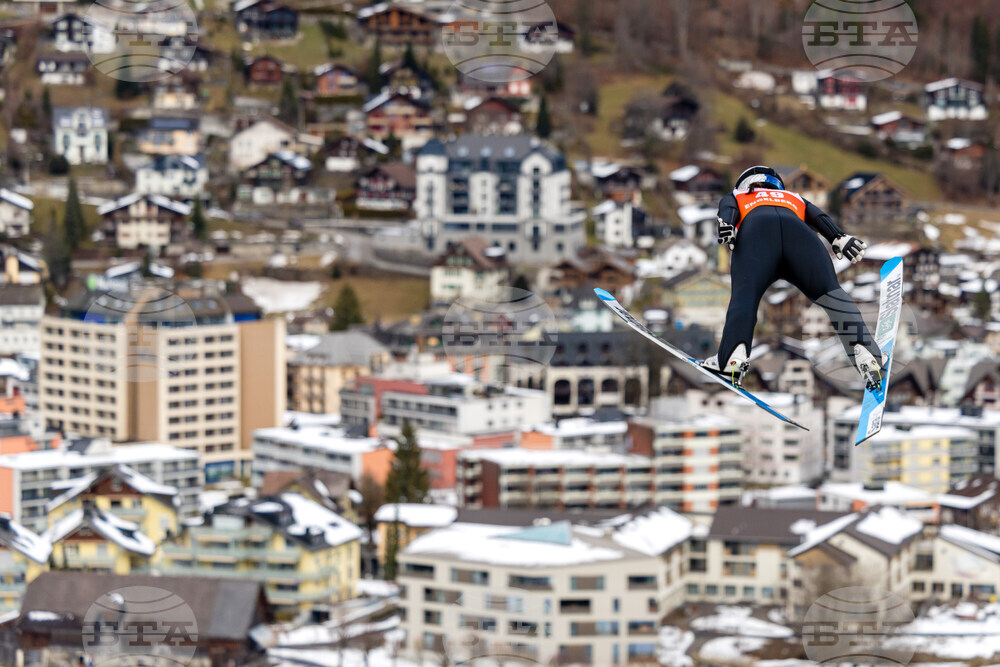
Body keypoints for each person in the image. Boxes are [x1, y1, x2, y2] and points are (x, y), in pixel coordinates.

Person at [701, 165, 887, 390]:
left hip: (757, 235)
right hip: (801, 238)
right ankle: (867, 353)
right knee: (832, 293)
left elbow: (727, 208)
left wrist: (727, 225)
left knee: (745, 297)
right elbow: (818, 216)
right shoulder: (792, 197)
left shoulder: (739, 195)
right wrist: (839, 237)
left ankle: (733, 357)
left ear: (744, 183)